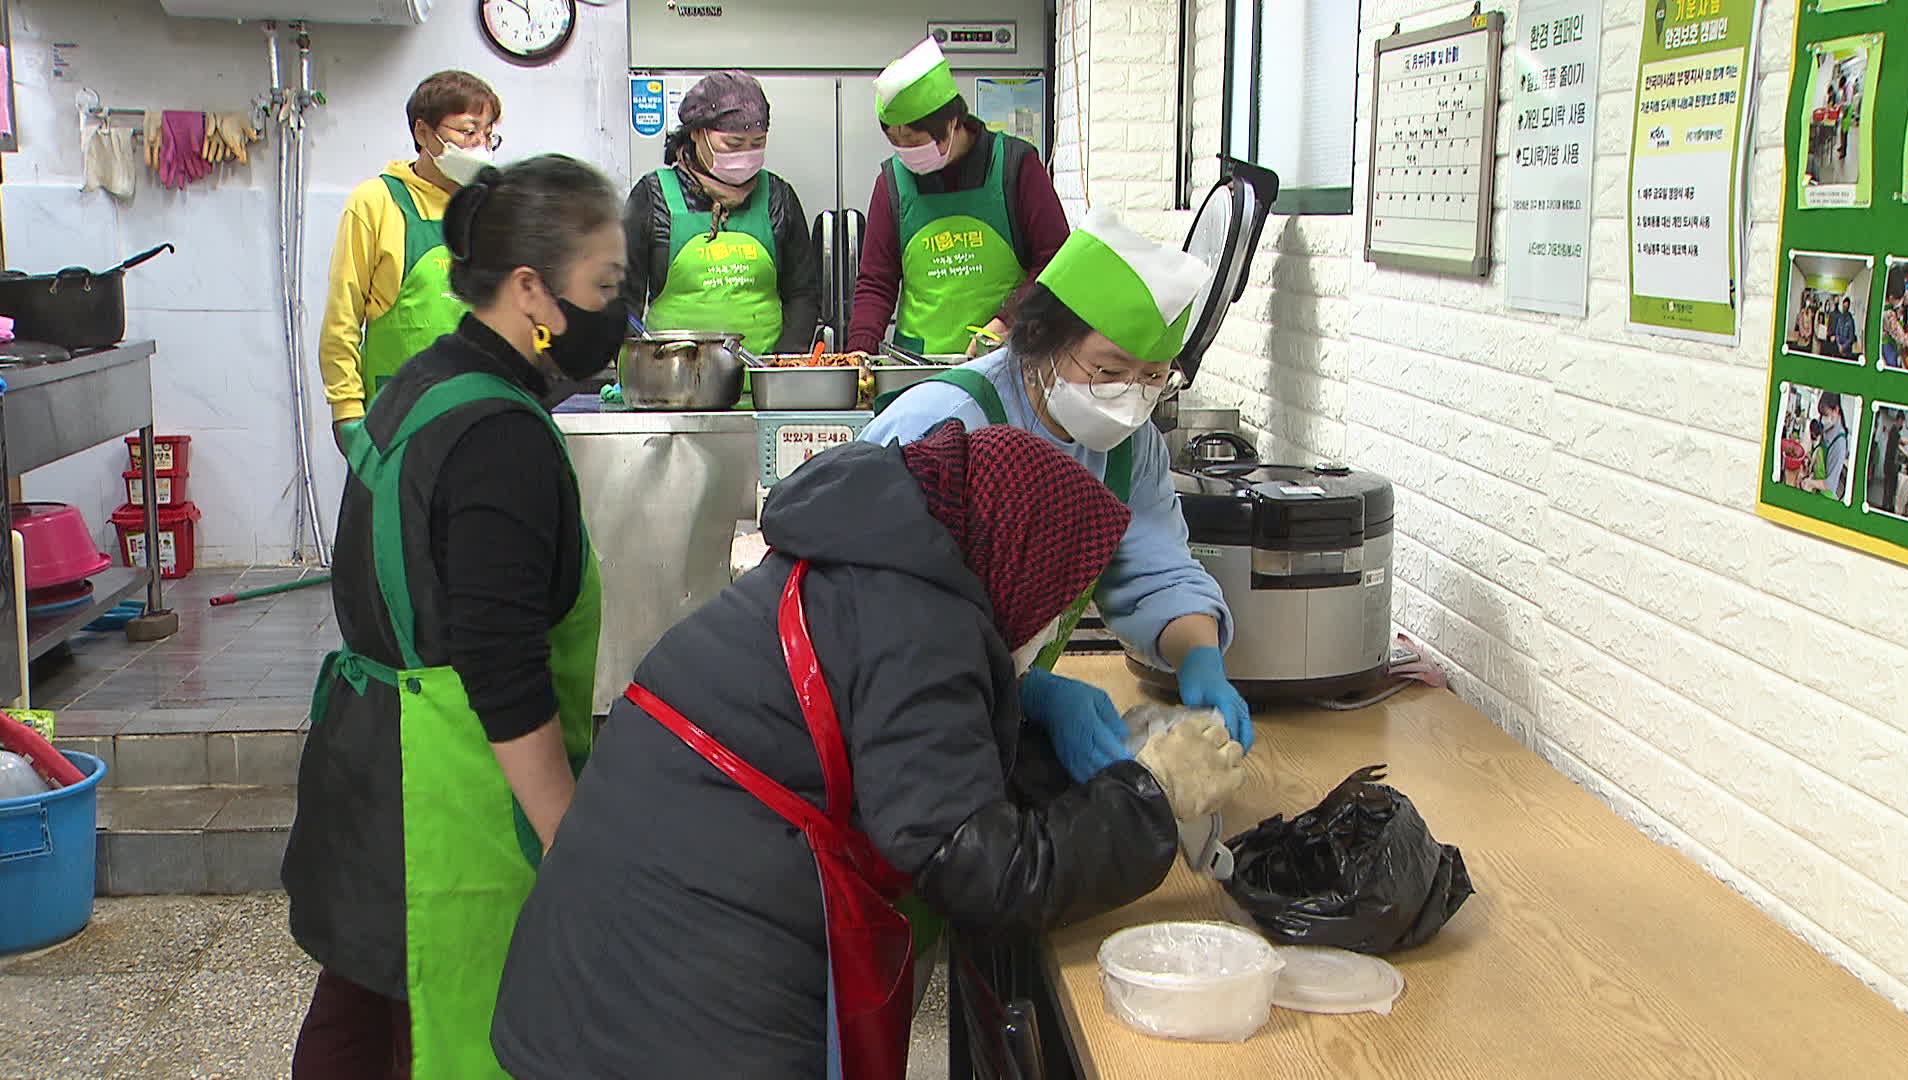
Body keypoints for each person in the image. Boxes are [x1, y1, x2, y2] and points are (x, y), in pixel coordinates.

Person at [492, 421, 1246, 1078]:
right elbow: (978, 868)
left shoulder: (876, 564)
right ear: (1015, 561)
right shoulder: (917, 624)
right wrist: (1149, 796)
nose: (1050, 628)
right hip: (673, 999)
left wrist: (1048, 750)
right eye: (1057, 602)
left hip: (620, 957)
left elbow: (926, 767)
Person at [284, 155, 626, 1079]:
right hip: (454, 798)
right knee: (451, 1032)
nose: (619, 310)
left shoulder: (424, 382)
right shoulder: (500, 437)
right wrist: (568, 838)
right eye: (604, 283)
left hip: (372, 761)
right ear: (531, 291)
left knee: (362, 1010)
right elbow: (500, 662)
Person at [859, 208, 1253, 763]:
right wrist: (1025, 688)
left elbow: (1156, 568)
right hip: (883, 717)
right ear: (1040, 339)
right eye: (1108, 371)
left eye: (1153, 377)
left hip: (976, 724)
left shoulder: (1130, 448)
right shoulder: (945, 423)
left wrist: (1200, 659)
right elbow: (872, 608)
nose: (1130, 397)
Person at [849, 36, 1070, 357]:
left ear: (951, 123)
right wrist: (859, 352)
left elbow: (1056, 262)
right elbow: (875, 283)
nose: (904, 152)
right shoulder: (892, 183)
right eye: (894, 140)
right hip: (918, 368)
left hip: (1004, 361)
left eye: (912, 139)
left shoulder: (1013, 166)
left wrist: (1007, 321)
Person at [318, 71, 503, 450]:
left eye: (488, 135)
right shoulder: (376, 202)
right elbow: (342, 319)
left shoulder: (489, 208)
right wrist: (347, 413)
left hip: (476, 418)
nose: (480, 146)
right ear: (423, 132)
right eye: (469, 132)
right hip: (397, 421)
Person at [624, 70, 821, 398]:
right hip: (673, 391)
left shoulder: (778, 196)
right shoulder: (653, 195)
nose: (745, 154)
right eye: (732, 144)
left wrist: (782, 366)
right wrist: (636, 368)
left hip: (765, 389)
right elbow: (623, 300)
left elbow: (803, 294)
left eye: (757, 144)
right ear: (698, 134)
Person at [1803, 391, 1851, 500]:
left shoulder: (1839, 443)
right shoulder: (1828, 429)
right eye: (1821, 415)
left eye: (1826, 415)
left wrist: (1810, 483)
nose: (1823, 419)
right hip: (1816, 487)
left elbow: (1830, 485)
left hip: (1825, 496)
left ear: (1836, 410)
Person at [1882, 276, 1908, 370]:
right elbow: (1906, 341)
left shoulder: (1896, 291)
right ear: (1891, 297)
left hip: (1894, 342)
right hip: (1886, 346)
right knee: (1892, 366)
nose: (1901, 303)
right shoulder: (1887, 315)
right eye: (1899, 300)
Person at [1832, 296, 1858, 360]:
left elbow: (1851, 338)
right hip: (1838, 348)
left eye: (1846, 307)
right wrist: (1839, 345)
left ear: (1848, 307)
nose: (1844, 308)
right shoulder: (1840, 318)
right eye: (1843, 306)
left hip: (1847, 351)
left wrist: (1843, 347)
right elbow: (1837, 333)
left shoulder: (1851, 321)